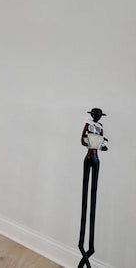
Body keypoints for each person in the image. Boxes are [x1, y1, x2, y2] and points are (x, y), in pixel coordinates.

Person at [78, 108, 108, 268]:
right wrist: (90, 141)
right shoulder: (87, 125)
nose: (96, 117)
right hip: (88, 157)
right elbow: (82, 141)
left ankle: (89, 249)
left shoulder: (101, 126)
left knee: (93, 195)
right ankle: (83, 246)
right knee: (85, 196)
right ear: (91, 115)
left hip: (96, 159)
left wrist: (102, 145)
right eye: (95, 115)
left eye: (98, 115)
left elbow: (102, 141)